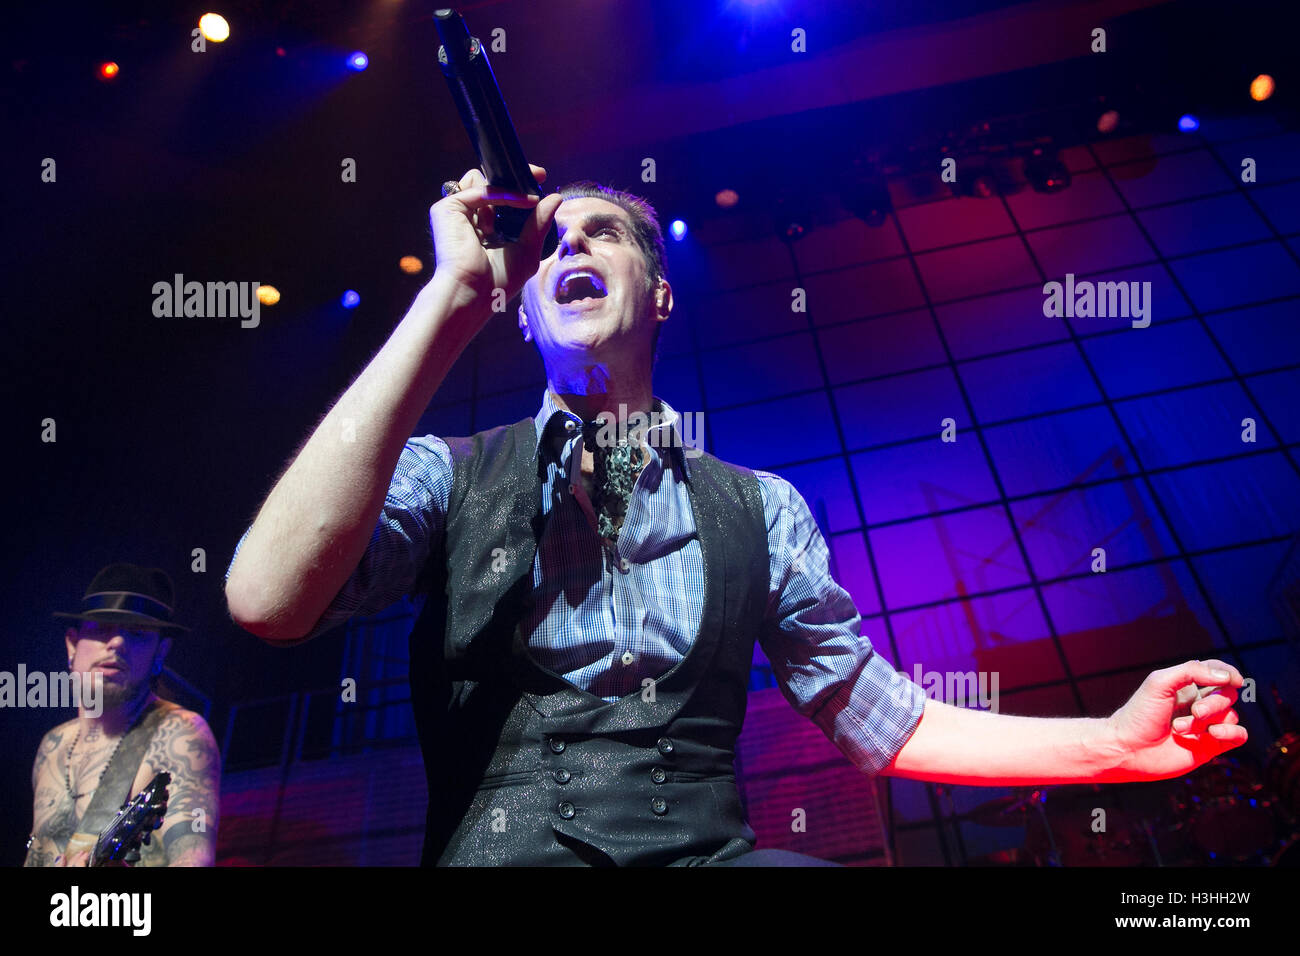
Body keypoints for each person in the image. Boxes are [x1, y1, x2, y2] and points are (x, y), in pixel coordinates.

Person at [225, 165, 1247, 866]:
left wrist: (1112, 743)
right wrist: (449, 296)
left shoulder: (760, 508)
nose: (571, 242)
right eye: (549, 243)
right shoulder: (444, 474)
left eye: (605, 233)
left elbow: (887, 719)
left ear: (659, 295)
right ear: (524, 301)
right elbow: (268, 597)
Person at [26, 563, 221, 867]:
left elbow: (192, 860)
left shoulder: (180, 735)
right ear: (72, 644)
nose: (117, 642)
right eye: (102, 627)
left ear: (160, 653)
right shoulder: (52, 745)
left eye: (137, 633)